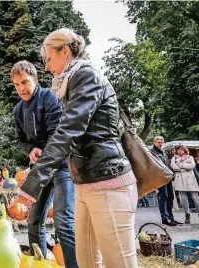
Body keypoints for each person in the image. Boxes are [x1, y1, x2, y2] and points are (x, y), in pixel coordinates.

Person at [14, 28, 138, 268]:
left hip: (108, 182)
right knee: (87, 261)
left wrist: (30, 186)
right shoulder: (68, 85)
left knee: (119, 262)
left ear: (65, 51)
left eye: (49, 59)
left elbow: (68, 132)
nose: (47, 66)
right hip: (85, 183)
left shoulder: (86, 77)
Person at [11, 60, 76, 265]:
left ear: (35, 80)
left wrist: (43, 151)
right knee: (33, 220)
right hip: (40, 169)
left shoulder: (49, 97)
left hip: (62, 165)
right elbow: (20, 140)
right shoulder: (18, 110)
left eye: (25, 82)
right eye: (17, 84)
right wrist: (30, 150)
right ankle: (40, 263)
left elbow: (57, 133)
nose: (21, 88)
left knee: (63, 222)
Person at [151, 136, 180, 226]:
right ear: (154, 142)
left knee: (170, 197)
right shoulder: (152, 152)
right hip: (160, 178)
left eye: (162, 142)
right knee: (163, 197)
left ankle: (171, 218)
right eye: (158, 142)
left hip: (168, 177)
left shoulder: (163, 151)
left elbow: (167, 164)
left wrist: (172, 173)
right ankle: (165, 218)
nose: (160, 143)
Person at [171, 145, 199, 224]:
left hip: (190, 179)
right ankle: (187, 214)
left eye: (182, 149)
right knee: (183, 199)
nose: (180, 151)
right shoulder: (174, 158)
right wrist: (185, 167)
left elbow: (192, 166)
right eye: (179, 150)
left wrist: (181, 165)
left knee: (195, 198)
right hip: (179, 179)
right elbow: (173, 167)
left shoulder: (190, 157)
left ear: (185, 150)